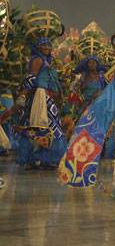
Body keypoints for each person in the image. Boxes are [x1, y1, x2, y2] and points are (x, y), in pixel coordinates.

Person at [15, 36, 67, 170]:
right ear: (38, 47)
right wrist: (22, 98)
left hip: (46, 97)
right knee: (44, 127)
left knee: (46, 127)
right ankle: (37, 159)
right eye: (44, 45)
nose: (47, 48)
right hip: (40, 98)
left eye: (49, 45)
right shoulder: (38, 60)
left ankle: (43, 159)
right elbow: (31, 79)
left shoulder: (46, 60)